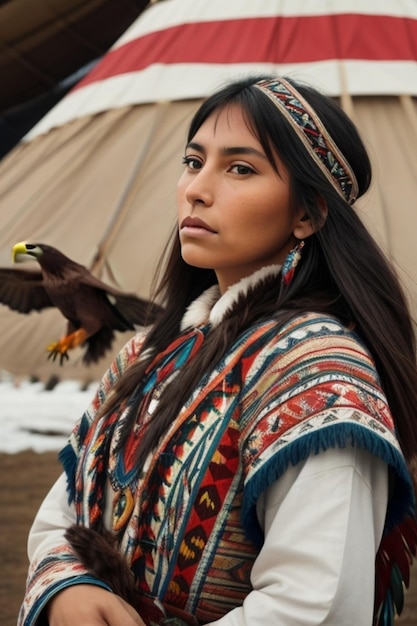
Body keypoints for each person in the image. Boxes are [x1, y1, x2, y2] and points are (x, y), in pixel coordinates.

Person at [18, 75, 417, 626]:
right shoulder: (147, 354)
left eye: (240, 168)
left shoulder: (322, 375)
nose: (196, 189)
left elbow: (315, 606)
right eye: (192, 161)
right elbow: (60, 516)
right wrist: (69, 587)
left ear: (309, 214)